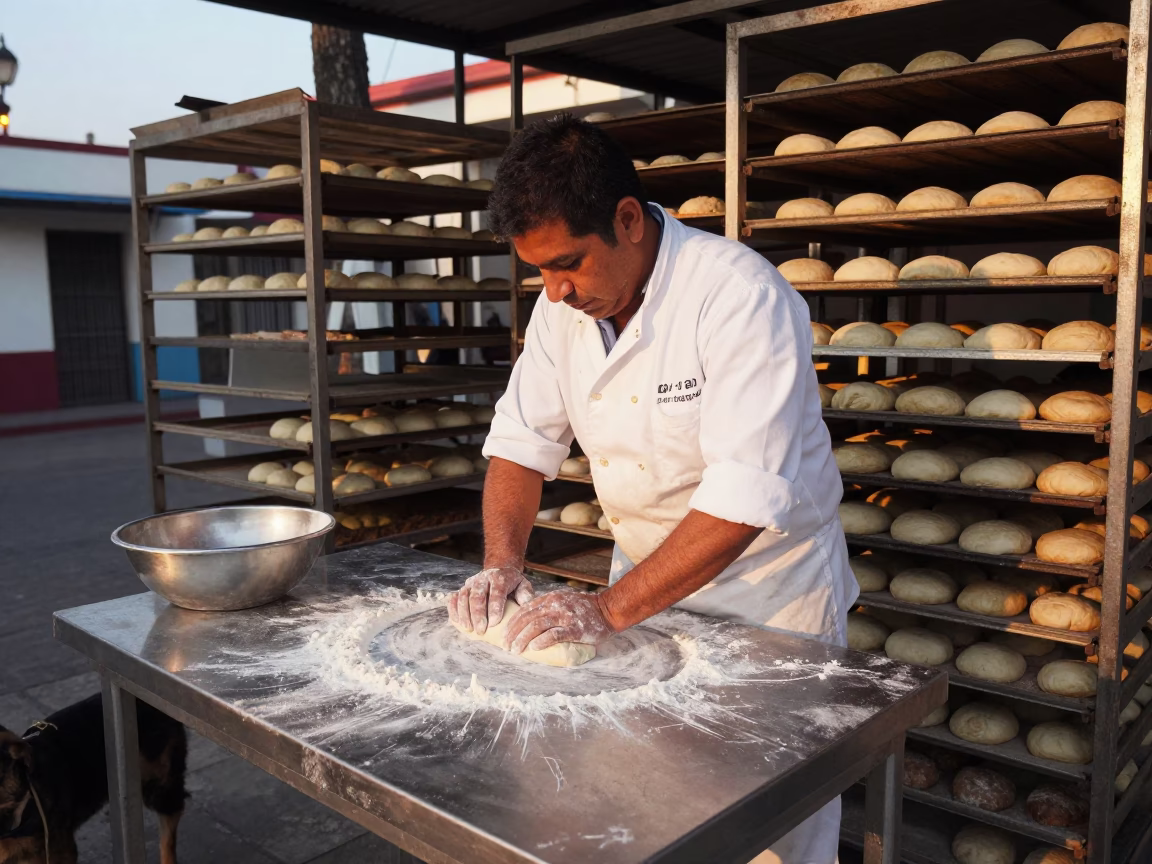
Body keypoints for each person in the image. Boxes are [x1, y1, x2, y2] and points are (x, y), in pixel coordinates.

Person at [447, 114, 855, 863]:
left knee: (769, 823)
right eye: (540, 272)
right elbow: (519, 444)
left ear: (628, 220)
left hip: (768, 599)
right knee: (649, 803)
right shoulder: (562, 310)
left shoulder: (737, 295)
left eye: (568, 264)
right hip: (641, 584)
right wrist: (502, 562)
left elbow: (743, 497)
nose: (556, 291)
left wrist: (605, 610)